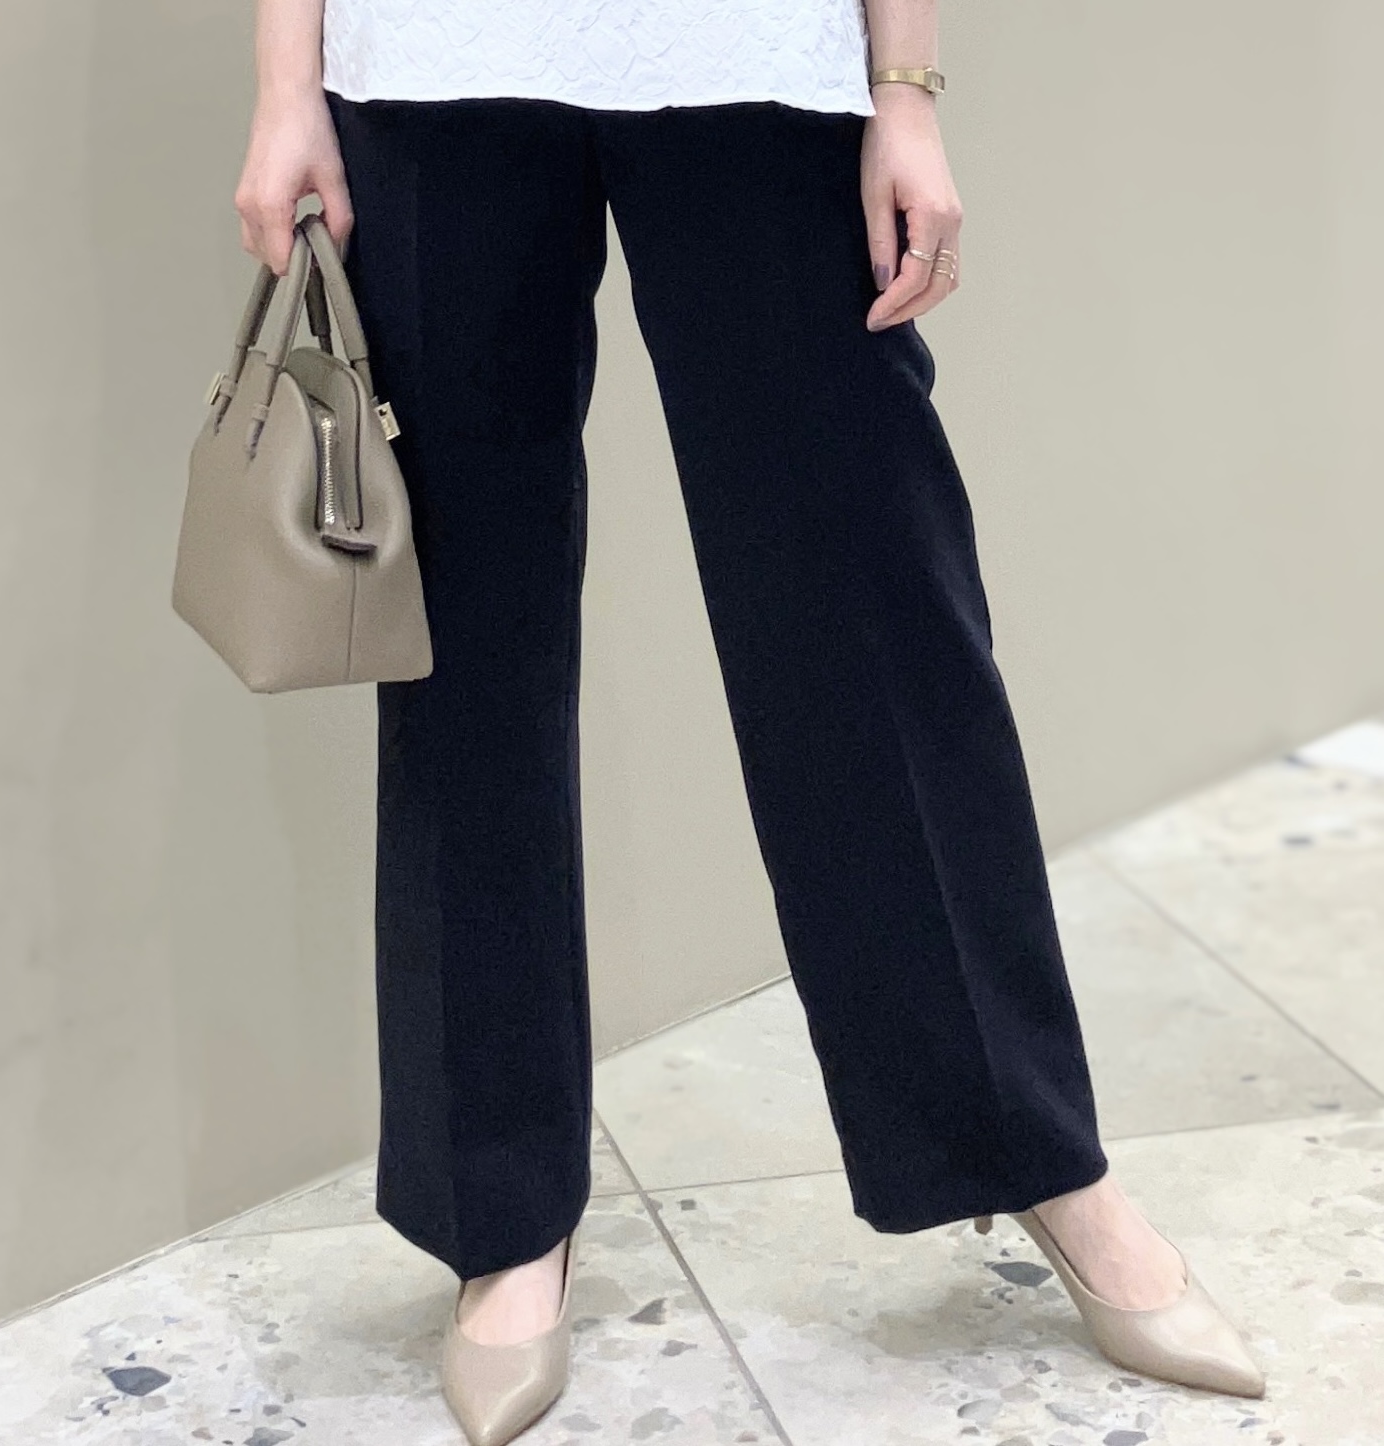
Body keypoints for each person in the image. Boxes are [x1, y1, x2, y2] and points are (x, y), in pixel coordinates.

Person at [234, 1, 1266, 1441]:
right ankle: (501, 1218)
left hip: (753, 57)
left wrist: (904, 90)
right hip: (431, 68)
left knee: (872, 607)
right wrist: (286, 84)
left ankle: (1030, 1148)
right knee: (467, 652)